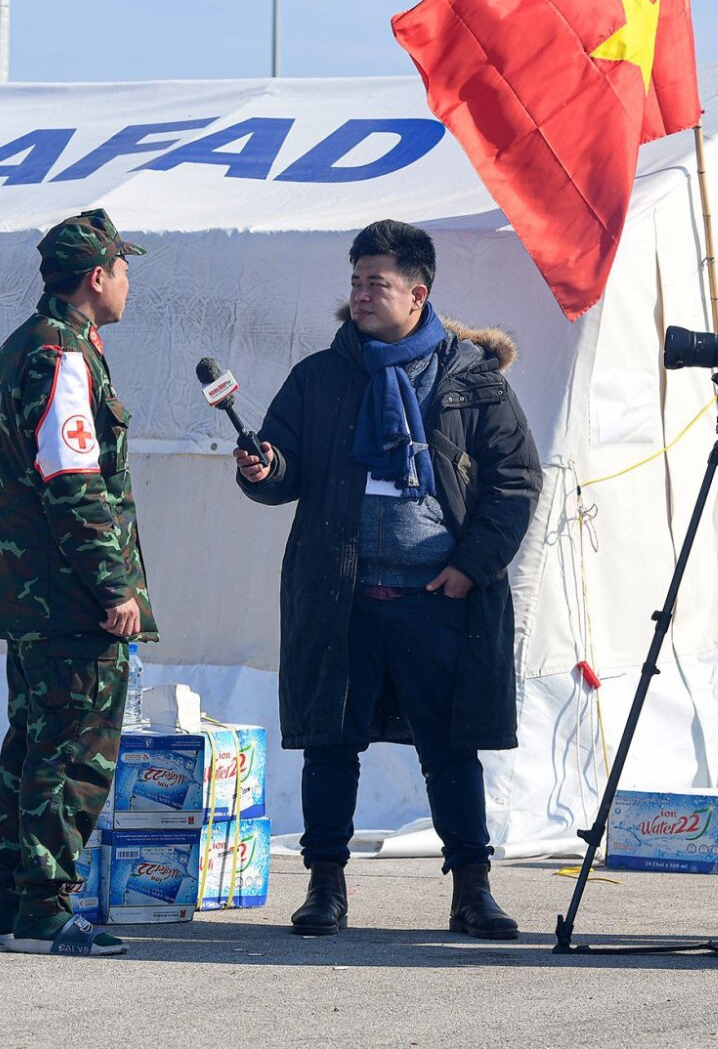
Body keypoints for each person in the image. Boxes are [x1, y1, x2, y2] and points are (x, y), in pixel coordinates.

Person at [233, 220, 542, 940]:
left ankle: (472, 888)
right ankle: (324, 887)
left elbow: (515, 481)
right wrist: (264, 468)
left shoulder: (471, 379)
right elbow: (284, 470)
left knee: (450, 747)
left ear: (418, 292)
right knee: (330, 744)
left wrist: (470, 566)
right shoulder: (320, 376)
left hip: (437, 597)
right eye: (355, 280)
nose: (362, 294)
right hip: (342, 593)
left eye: (378, 281)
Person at [0, 209, 155, 957]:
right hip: (69, 596)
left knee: (33, 744)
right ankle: (45, 908)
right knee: (72, 751)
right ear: (96, 277)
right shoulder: (62, 355)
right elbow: (74, 482)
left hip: (32, 593)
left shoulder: (26, 345)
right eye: (122, 268)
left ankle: (19, 904)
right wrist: (114, 587)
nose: (128, 281)